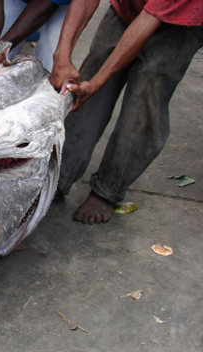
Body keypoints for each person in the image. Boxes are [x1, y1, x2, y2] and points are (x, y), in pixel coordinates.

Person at [51, 0, 203, 223]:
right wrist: (61, 55)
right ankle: (57, 175)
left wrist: (97, 83)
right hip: (128, 7)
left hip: (181, 24)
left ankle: (107, 188)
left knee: (145, 99)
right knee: (88, 79)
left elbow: (150, 18)